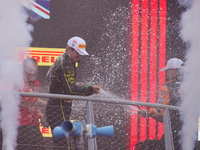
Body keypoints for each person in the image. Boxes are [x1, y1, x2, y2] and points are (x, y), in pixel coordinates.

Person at [45, 36, 100, 150]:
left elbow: (50, 78)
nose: (79, 56)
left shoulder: (64, 59)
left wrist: (73, 85)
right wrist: (90, 89)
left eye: (81, 53)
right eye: (77, 53)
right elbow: (70, 89)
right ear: (69, 49)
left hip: (58, 106)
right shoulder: (65, 62)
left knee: (61, 143)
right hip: (57, 107)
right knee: (64, 144)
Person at [135, 58, 184, 150]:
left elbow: (159, 110)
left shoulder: (167, 86)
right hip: (194, 129)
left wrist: (147, 113)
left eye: (167, 70)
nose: (166, 73)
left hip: (175, 129)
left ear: (173, 70)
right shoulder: (194, 84)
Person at [17, 57, 47, 150]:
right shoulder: (19, 82)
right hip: (21, 126)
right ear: (23, 70)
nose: (33, 73)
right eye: (30, 70)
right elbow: (32, 99)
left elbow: (35, 105)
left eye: (35, 70)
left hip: (34, 125)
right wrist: (50, 105)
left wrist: (41, 114)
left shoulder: (37, 84)